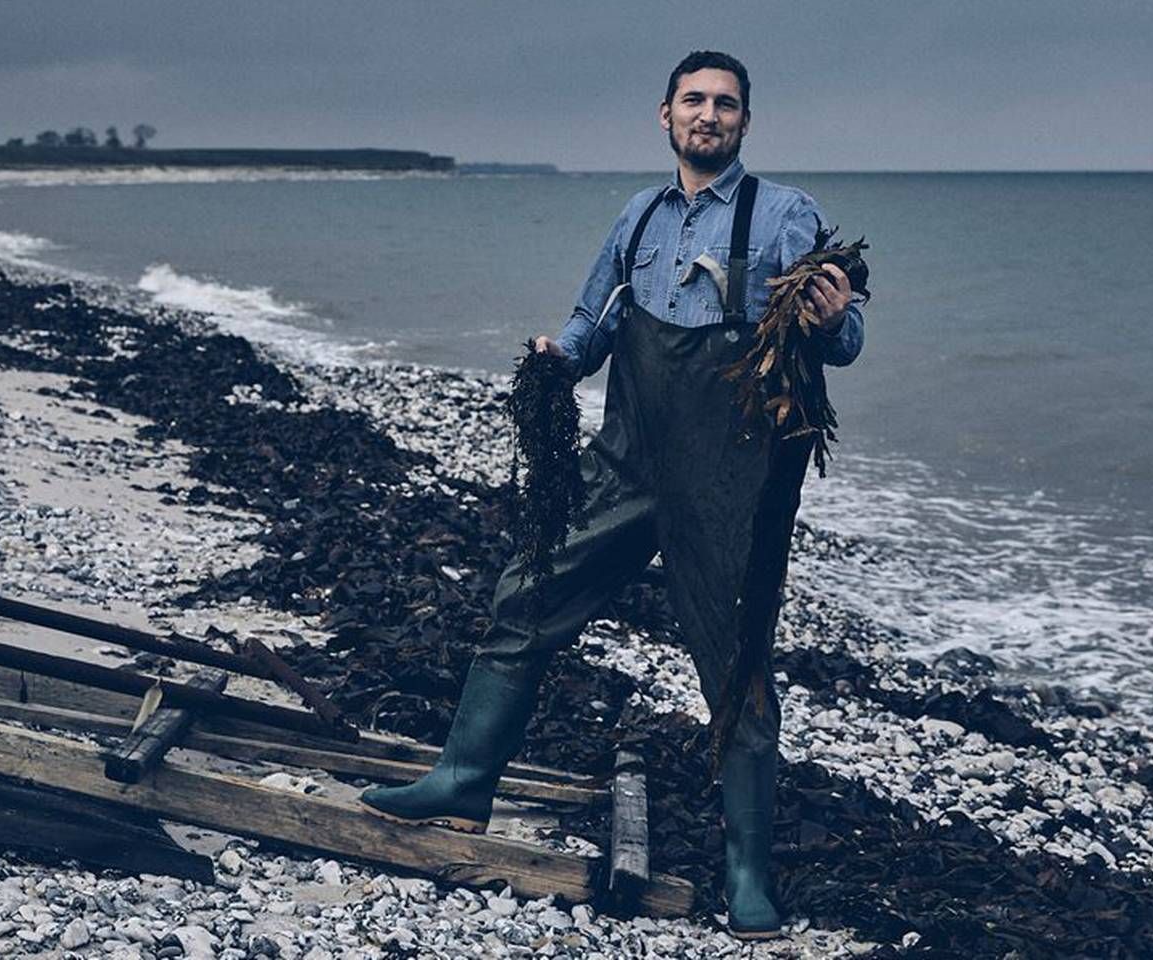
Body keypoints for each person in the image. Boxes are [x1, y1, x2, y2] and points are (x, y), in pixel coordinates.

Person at [361, 50, 864, 939]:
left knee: (738, 666)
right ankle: (463, 780)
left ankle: (748, 874)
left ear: (746, 123)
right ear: (663, 116)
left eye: (726, 104)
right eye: (694, 101)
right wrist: (556, 357)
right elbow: (593, 324)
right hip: (627, 464)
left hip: (730, 484)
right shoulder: (637, 218)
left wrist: (831, 323)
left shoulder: (786, 215)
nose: (708, 115)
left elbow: (846, 337)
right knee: (526, 593)